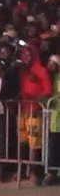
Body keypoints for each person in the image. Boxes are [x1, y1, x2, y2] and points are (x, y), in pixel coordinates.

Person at [17, 43, 52, 185]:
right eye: (25, 54)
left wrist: (36, 99)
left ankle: (33, 172)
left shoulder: (41, 71)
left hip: (35, 111)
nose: (27, 57)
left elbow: (48, 91)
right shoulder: (21, 71)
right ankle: (22, 171)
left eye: (29, 54)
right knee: (22, 142)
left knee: (34, 144)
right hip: (21, 110)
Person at [44, 54, 60, 186]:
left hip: (58, 119)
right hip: (55, 119)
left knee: (54, 147)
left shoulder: (58, 78)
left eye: (52, 63)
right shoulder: (52, 77)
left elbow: (57, 98)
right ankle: (51, 173)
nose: (49, 66)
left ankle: (51, 174)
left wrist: (44, 100)